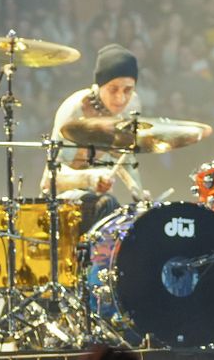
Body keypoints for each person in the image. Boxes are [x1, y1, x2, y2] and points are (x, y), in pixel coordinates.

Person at [39, 44, 147, 232]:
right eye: (113, 89)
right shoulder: (75, 110)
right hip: (64, 202)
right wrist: (89, 178)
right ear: (99, 84)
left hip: (99, 197)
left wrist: (138, 194)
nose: (121, 98)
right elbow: (50, 180)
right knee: (107, 205)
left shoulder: (132, 106)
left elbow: (124, 157)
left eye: (128, 90)